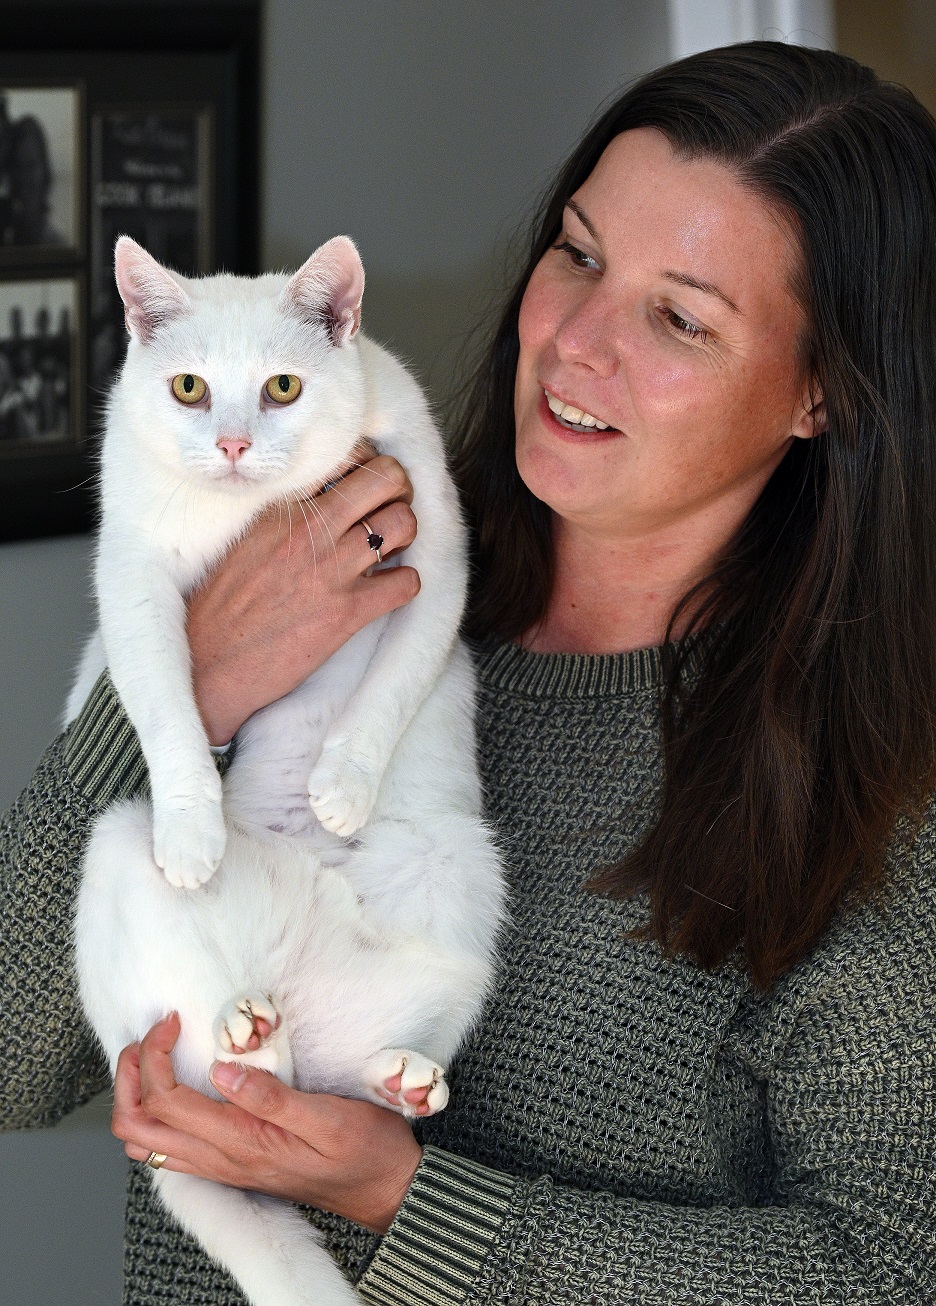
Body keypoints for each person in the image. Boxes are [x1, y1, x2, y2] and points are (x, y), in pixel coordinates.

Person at [2, 40, 935, 1305]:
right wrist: (196, 681)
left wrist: (409, 1205)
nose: (577, 344)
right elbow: (15, 1058)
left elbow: (885, 1271)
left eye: (678, 316)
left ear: (822, 391)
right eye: (580, 254)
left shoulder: (879, 787)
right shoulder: (304, 561)